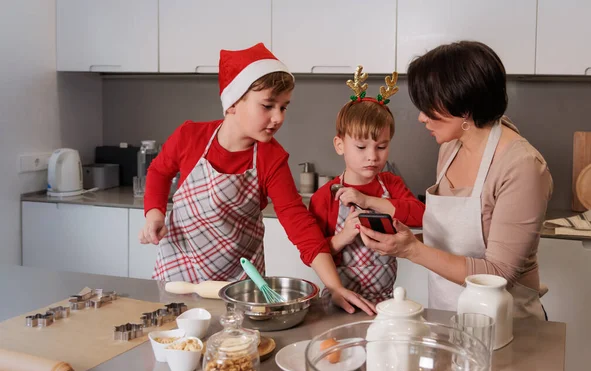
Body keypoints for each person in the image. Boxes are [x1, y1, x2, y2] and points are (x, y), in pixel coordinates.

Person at [139, 43, 376, 315]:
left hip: (238, 285)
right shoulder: (190, 137)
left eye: (284, 107)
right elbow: (159, 171)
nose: (278, 118)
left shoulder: (270, 158)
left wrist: (334, 286)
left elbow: (299, 224)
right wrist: (154, 213)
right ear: (233, 104)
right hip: (177, 271)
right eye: (267, 106)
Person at [359, 41, 553, 320]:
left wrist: (412, 250)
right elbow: (451, 241)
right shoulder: (450, 148)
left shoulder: (522, 167)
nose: (421, 117)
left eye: (428, 107)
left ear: (464, 107)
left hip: (506, 326)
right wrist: (404, 240)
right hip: (447, 314)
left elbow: (500, 274)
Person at [309, 66, 425, 303]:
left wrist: (368, 201)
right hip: (340, 300)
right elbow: (315, 252)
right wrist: (343, 237)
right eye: (361, 147)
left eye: (381, 146)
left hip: (385, 300)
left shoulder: (390, 184)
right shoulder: (324, 196)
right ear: (340, 145)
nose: (372, 156)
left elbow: (421, 216)